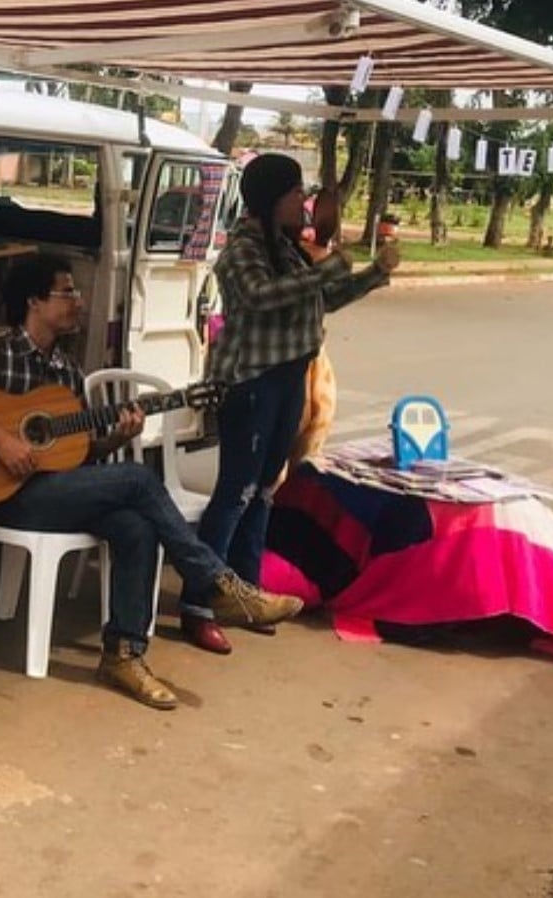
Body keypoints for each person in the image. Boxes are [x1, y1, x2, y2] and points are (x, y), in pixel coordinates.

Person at [0, 254, 304, 709]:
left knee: (134, 526)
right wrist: (1, 440)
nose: (79, 301)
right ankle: (216, 581)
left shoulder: (66, 373)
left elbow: (75, 450)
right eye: (68, 291)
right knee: (140, 479)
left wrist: (116, 437)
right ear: (35, 301)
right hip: (8, 496)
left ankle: (123, 654)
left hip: (57, 489)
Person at [183, 153, 400, 641]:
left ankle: (247, 593)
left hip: (286, 379)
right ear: (269, 198)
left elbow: (320, 299)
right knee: (236, 492)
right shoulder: (241, 252)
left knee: (263, 490)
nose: (301, 202)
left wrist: (372, 273)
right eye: (294, 193)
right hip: (251, 384)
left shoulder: (284, 248)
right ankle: (200, 602)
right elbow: (264, 297)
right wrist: (331, 260)